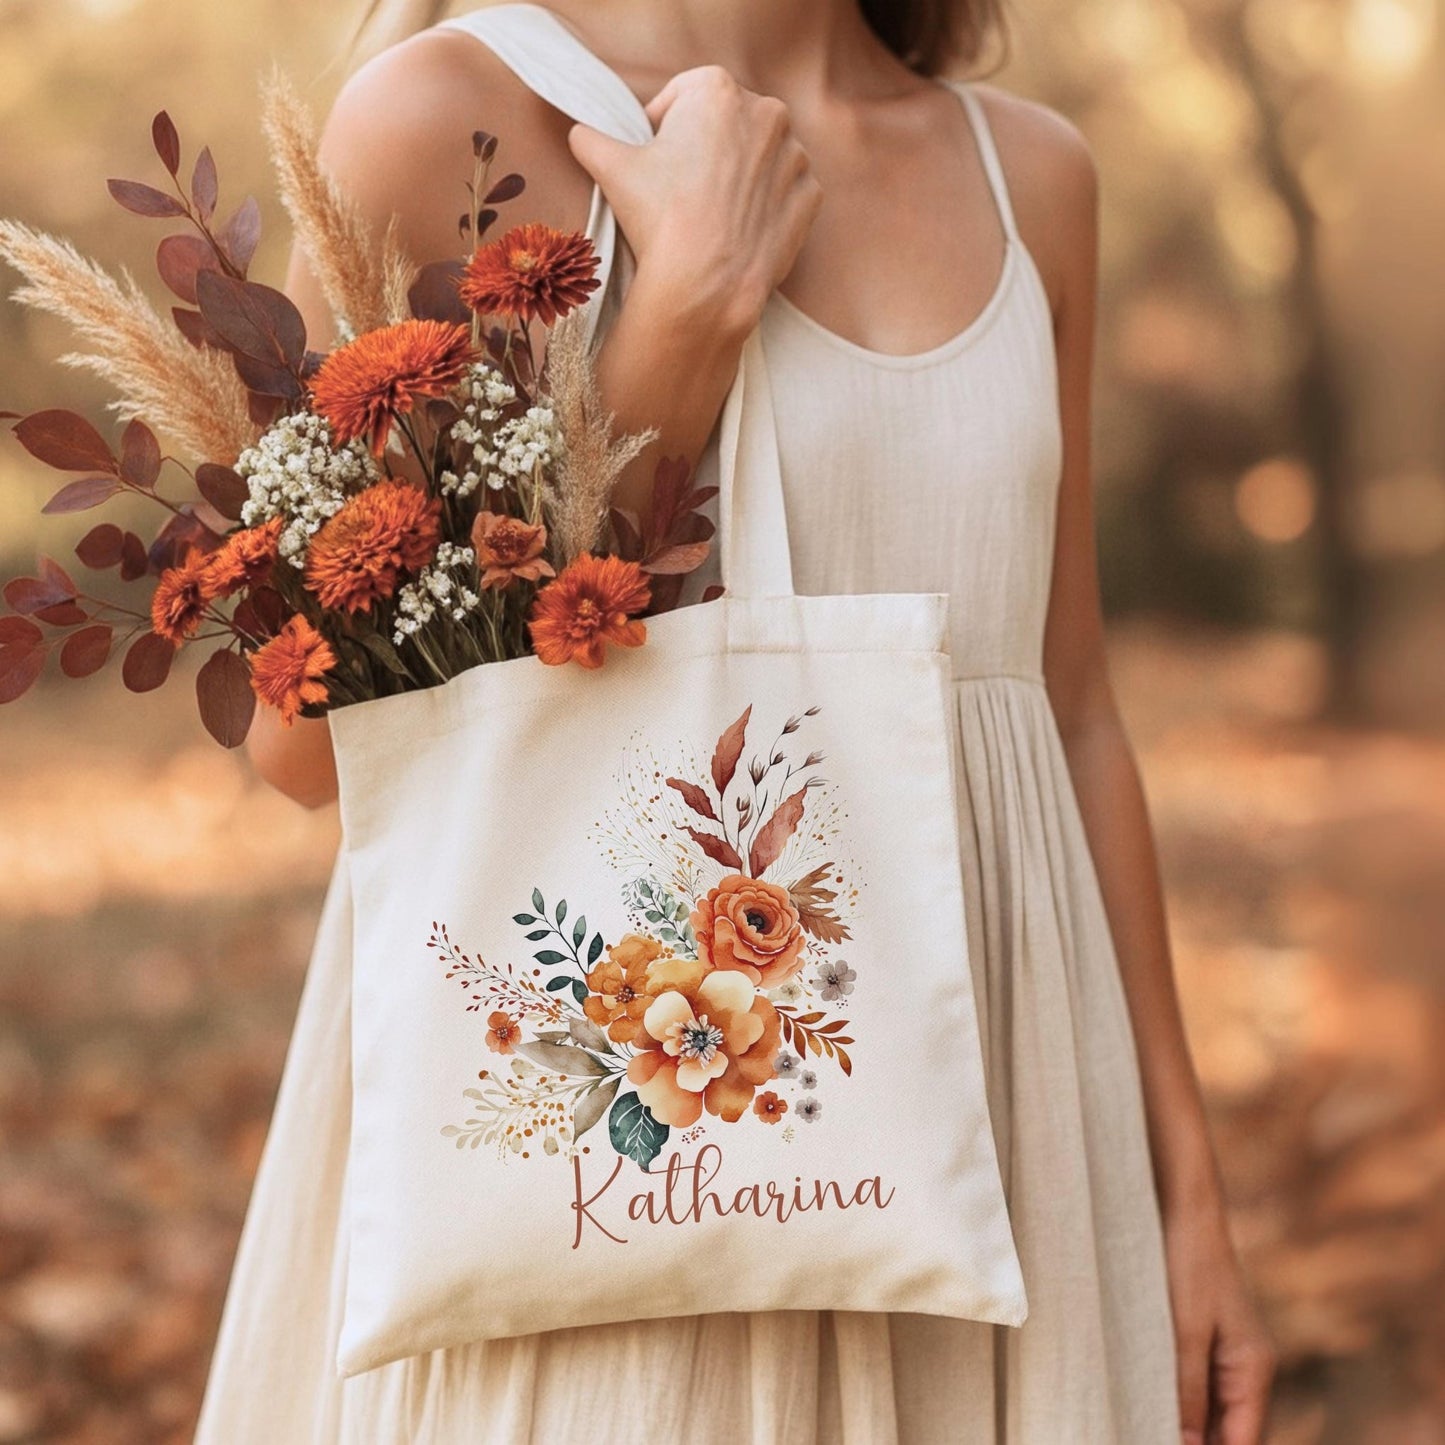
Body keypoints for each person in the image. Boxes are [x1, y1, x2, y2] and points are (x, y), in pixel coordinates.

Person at [198, 1, 1277, 1440]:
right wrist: (687, 315)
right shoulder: (448, 117)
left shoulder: (1034, 175)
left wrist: (1184, 1193)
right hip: (617, 1180)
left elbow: (1069, 709)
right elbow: (298, 749)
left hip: (1010, 1144)